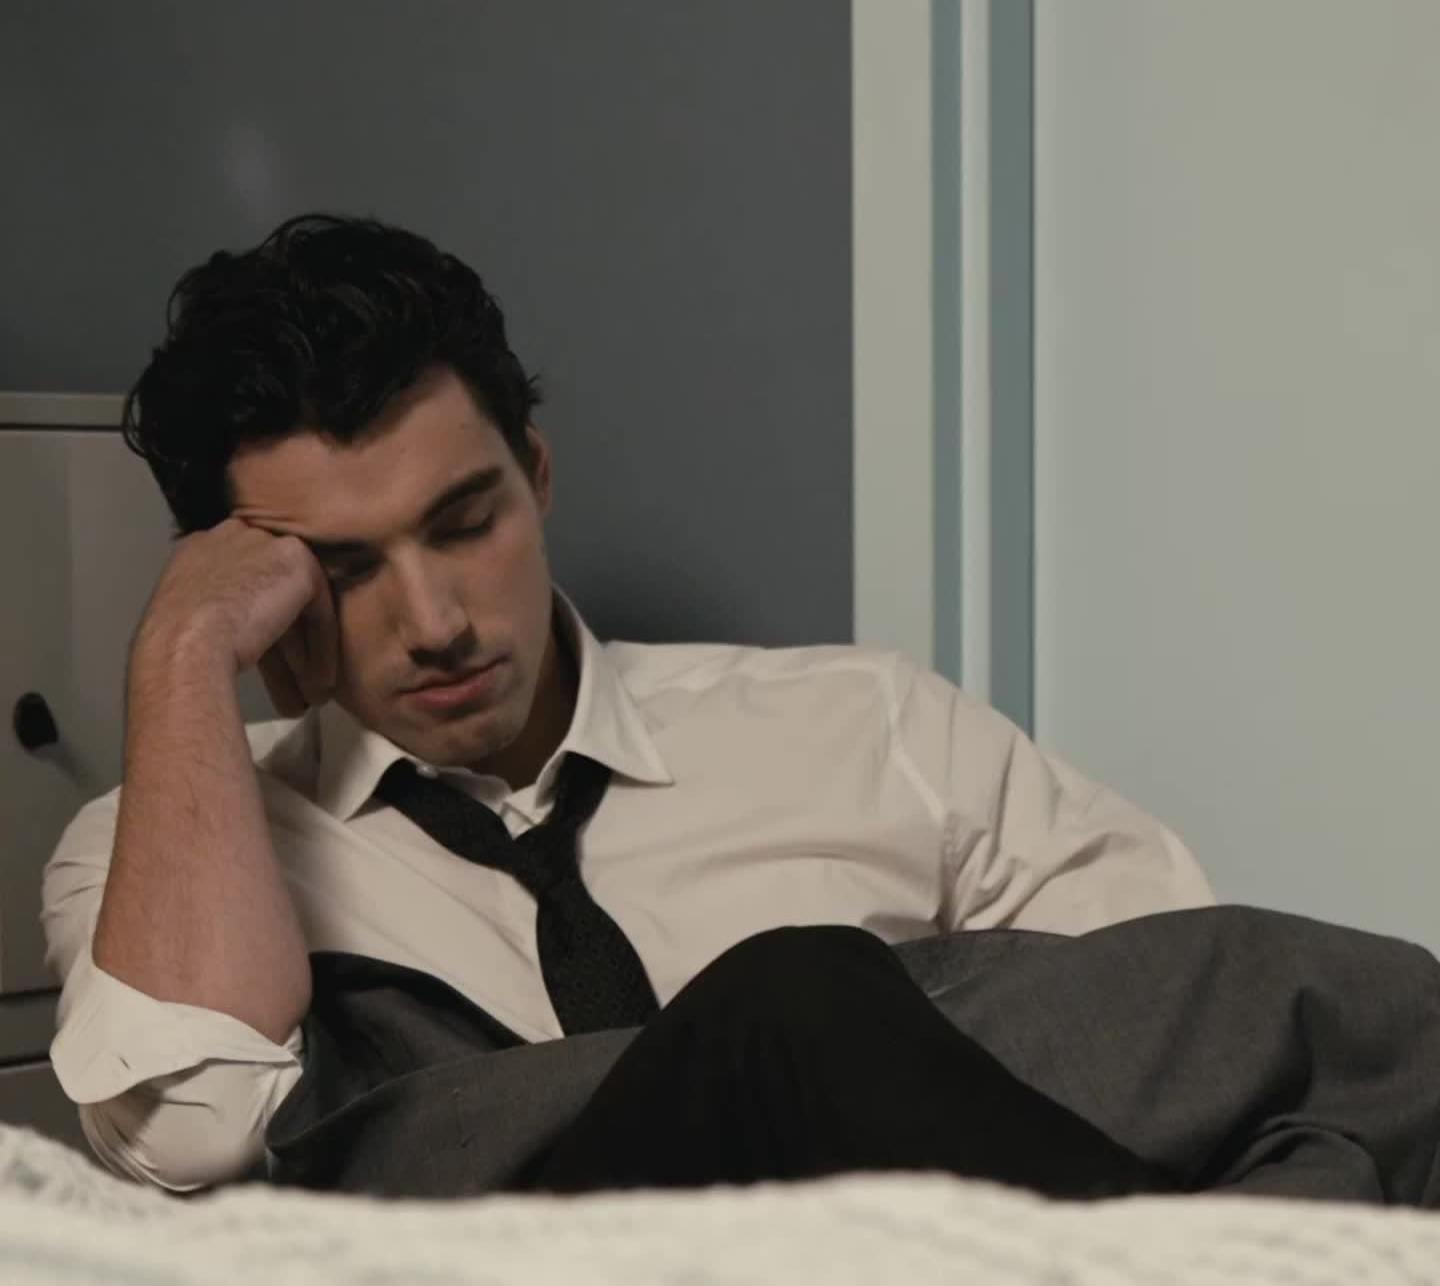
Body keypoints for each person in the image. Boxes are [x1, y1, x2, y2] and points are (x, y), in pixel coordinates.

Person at [43, 214, 1212, 1201]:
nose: (436, 620)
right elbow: (192, 1133)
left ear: (537, 474)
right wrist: (183, 656)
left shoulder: (871, 728)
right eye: (342, 572)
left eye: (467, 523)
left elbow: (1187, 1022)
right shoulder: (143, 852)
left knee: (801, 999)